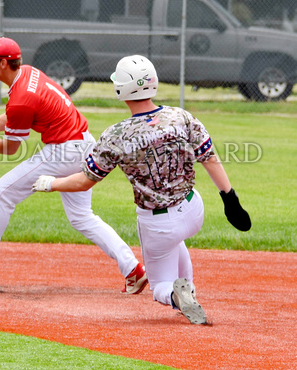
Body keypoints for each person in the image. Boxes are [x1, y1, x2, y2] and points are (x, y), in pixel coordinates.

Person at [33, 55, 251, 325]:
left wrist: (51, 183)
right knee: (177, 239)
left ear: (120, 89)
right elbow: (209, 158)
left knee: (159, 285)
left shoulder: (116, 135)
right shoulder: (180, 116)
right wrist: (230, 199)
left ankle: (175, 296)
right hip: (193, 210)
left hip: (157, 224)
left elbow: (86, 180)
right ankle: (188, 290)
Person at [0, 37, 148, 295]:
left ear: (4, 64)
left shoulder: (21, 96)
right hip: (84, 144)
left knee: (1, 192)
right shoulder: (28, 73)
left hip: (65, 151)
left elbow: (10, 147)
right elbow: (16, 115)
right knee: (82, 217)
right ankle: (133, 269)